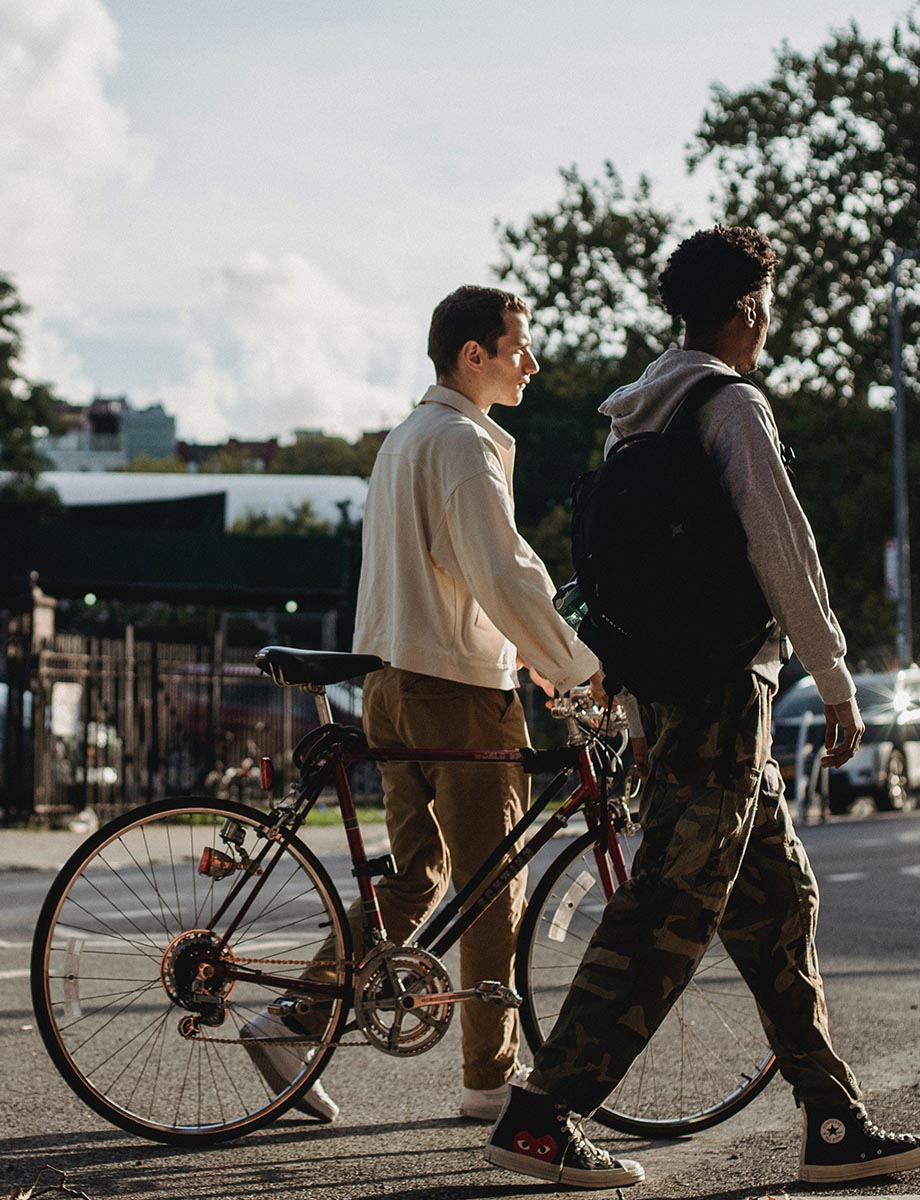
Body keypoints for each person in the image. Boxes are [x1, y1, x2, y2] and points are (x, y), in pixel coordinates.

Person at [484, 227, 920, 1189]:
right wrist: (836, 678)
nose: (767, 325)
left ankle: (832, 1121)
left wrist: (647, 717)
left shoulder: (636, 416)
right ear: (745, 312)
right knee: (666, 912)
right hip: (728, 695)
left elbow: (623, 587)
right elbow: (786, 552)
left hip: (675, 695)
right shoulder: (731, 406)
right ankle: (542, 1111)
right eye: (764, 307)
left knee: (779, 905)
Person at [243, 285, 601, 1124]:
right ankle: (488, 1080)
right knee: (489, 888)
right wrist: (573, 666)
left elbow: (461, 575)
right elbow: (502, 572)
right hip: (457, 691)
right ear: (472, 355)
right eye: (519, 346)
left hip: (390, 685)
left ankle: (292, 1015)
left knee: (416, 877)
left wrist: (537, 658)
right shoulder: (461, 445)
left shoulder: (405, 438)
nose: (532, 362)